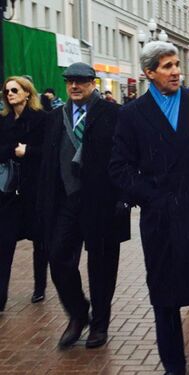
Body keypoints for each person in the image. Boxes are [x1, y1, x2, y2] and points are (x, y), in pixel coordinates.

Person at [109, 41, 189, 374]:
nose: (176, 71)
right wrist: (151, 195)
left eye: (176, 64)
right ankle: (174, 365)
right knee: (164, 297)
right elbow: (119, 167)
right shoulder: (132, 115)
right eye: (166, 66)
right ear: (149, 73)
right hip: (160, 220)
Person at [37, 62, 131, 349]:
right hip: (66, 200)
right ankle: (78, 313)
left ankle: (99, 325)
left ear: (93, 83)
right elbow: (47, 163)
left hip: (102, 202)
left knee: (101, 265)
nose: (74, 86)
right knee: (58, 257)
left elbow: (124, 156)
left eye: (81, 81)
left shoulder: (113, 114)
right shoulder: (56, 117)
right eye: (69, 81)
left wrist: (123, 197)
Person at [0, 76, 48, 311]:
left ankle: (40, 286)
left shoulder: (41, 119)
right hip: (9, 191)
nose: (9, 94)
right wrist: (11, 150)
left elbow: (49, 150)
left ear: (27, 93)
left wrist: (27, 151)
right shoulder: (4, 120)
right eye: (7, 91)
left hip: (34, 188)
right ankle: (1, 296)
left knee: (39, 240)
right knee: (4, 241)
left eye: (14, 90)